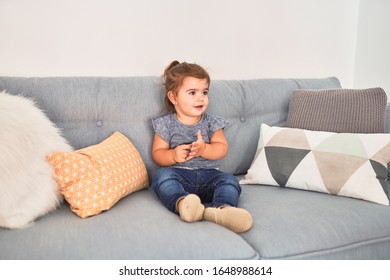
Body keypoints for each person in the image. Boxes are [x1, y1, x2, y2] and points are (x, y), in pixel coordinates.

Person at [151, 60, 252, 233]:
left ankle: (224, 210)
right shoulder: (165, 124)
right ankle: (184, 204)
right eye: (192, 93)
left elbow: (221, 148)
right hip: (179, 175)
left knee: (229, 180)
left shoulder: (211, 122)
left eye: (204, 92)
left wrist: (205, 149)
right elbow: (157, 153)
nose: (201, 98)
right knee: (161, 177)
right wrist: (173, 155)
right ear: (173, 97)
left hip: (209, 176)